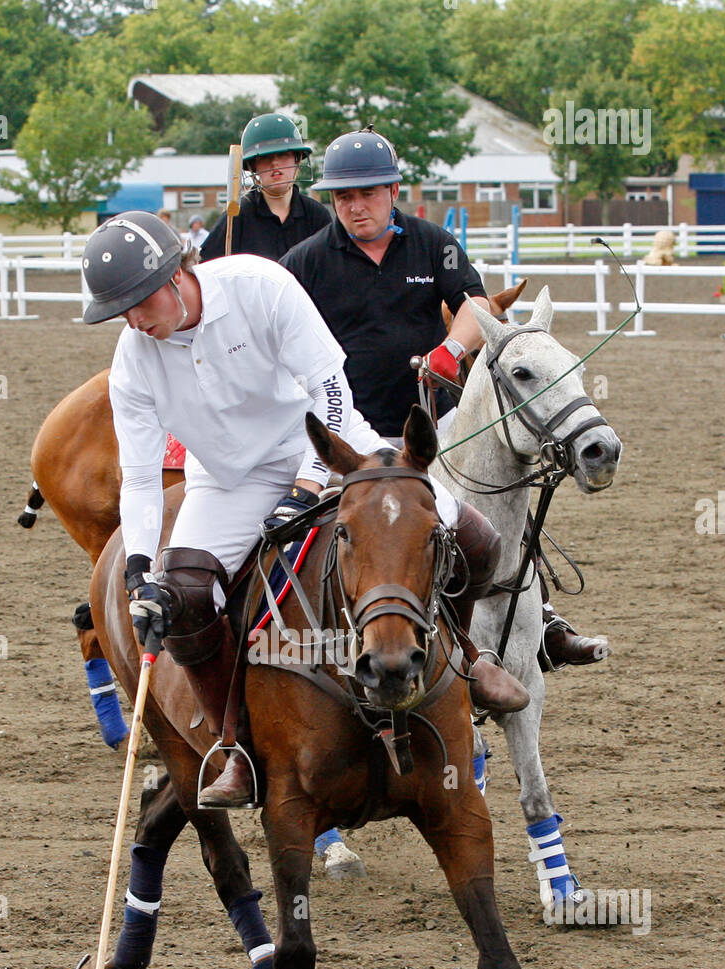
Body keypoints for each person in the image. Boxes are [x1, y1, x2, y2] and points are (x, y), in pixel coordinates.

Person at [81, 212, 528, 809]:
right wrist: (139, 569)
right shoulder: (135, 359)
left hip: (327, 445)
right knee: (183, 595)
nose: (134, 320)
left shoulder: (258, 285)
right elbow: (138, 475)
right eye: (121, 311)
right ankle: (234, 746)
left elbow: (332, 390)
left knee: (475, 539)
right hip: (225, 482)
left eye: (139, 301)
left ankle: (470, 662)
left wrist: (309, 480)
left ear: (177, 272)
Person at [280, 128, 608, 669]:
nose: (355, 207)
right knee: (316, 535)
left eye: (366, 194)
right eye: (342, 197)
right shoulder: (305, 261)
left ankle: (541, 618)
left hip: (431, 430)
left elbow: (477, 303)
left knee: (500, 500)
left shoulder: (433, 243)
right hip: (344, 436)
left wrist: (451, 348)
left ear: (392, 189)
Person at [199, 113, 330, 263]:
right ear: (253, 166)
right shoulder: (237, 216)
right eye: (265, 157)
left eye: (283, 154)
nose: (275, 163)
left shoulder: (316, 216)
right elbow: (205, 271)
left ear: (297, 160)